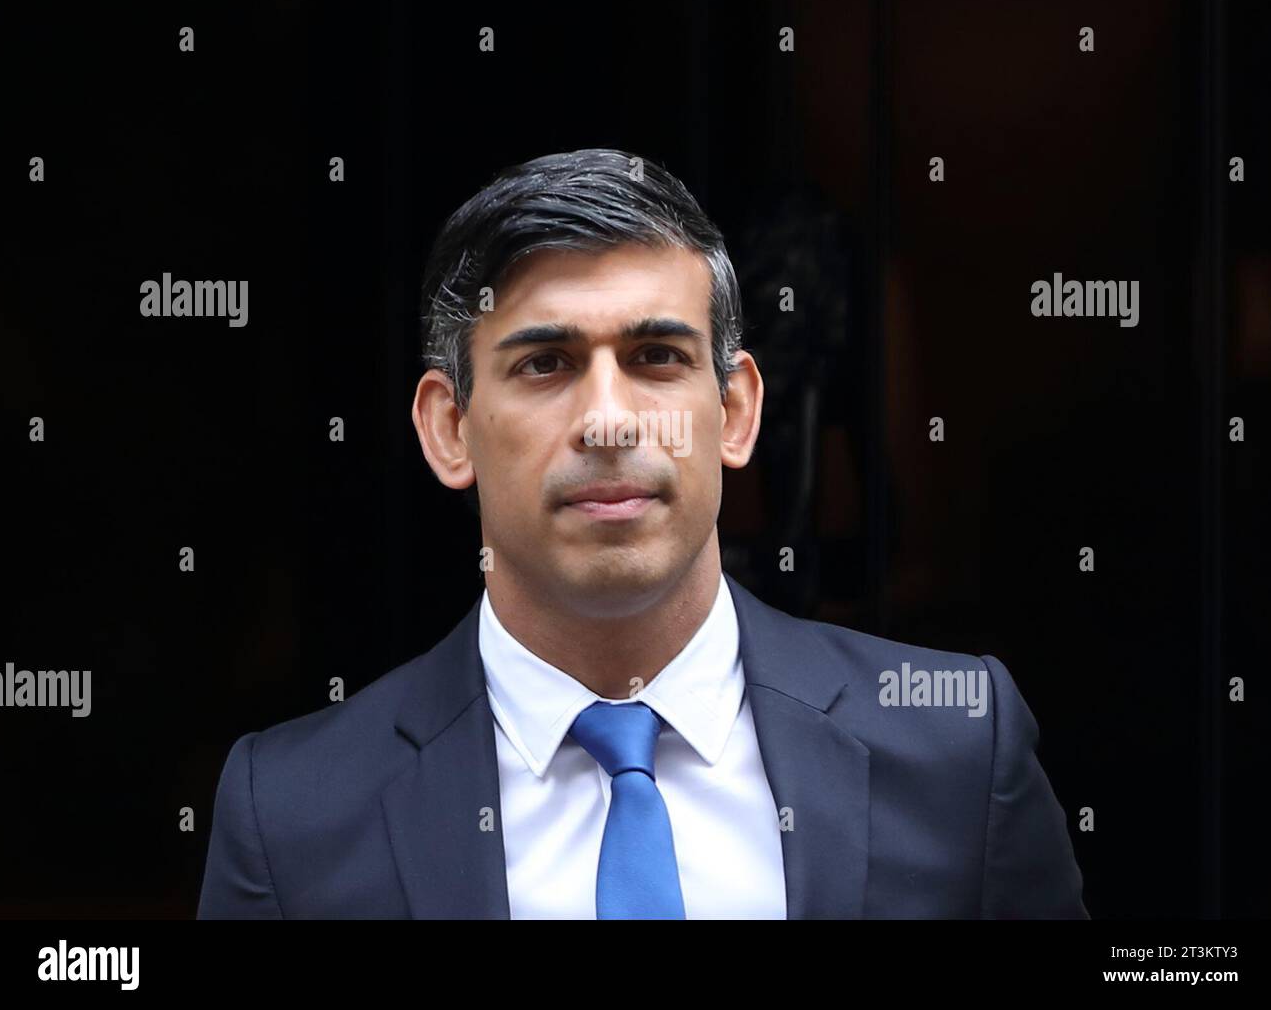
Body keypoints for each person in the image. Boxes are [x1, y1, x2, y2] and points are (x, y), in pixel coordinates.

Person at [197, 148, 1088, 919]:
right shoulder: (291, 814)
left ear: (735, 410)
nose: (610, 422)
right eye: (545, 364)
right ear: (448, 428)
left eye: (656, 357)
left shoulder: (957, 749)